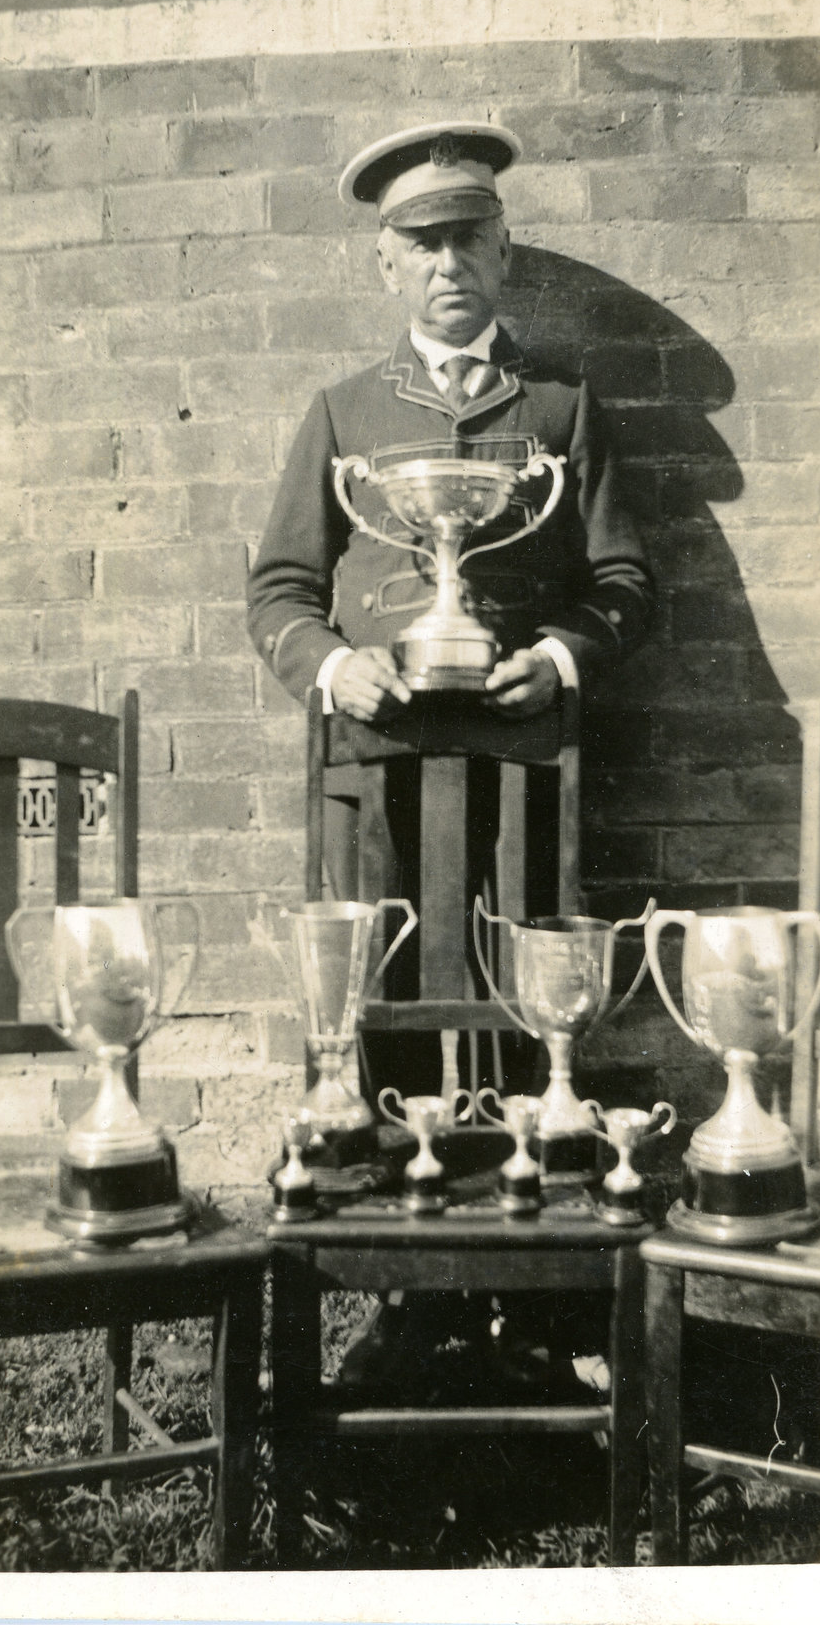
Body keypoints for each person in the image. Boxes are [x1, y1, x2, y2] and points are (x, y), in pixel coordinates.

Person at [247, 121, 654, 1398]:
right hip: (378, 764)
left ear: (504, 249)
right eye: (418, 243)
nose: (444, 263)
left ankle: (530, 1300)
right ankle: (405, 1298)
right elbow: (276, 587)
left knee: (533, 1003)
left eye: (465, 237)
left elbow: (624, 580)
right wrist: (331, 662)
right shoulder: (343, 413)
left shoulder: (560, 412)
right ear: (382, 262)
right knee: (384, 1006)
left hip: (529, 773)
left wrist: (567, 656)